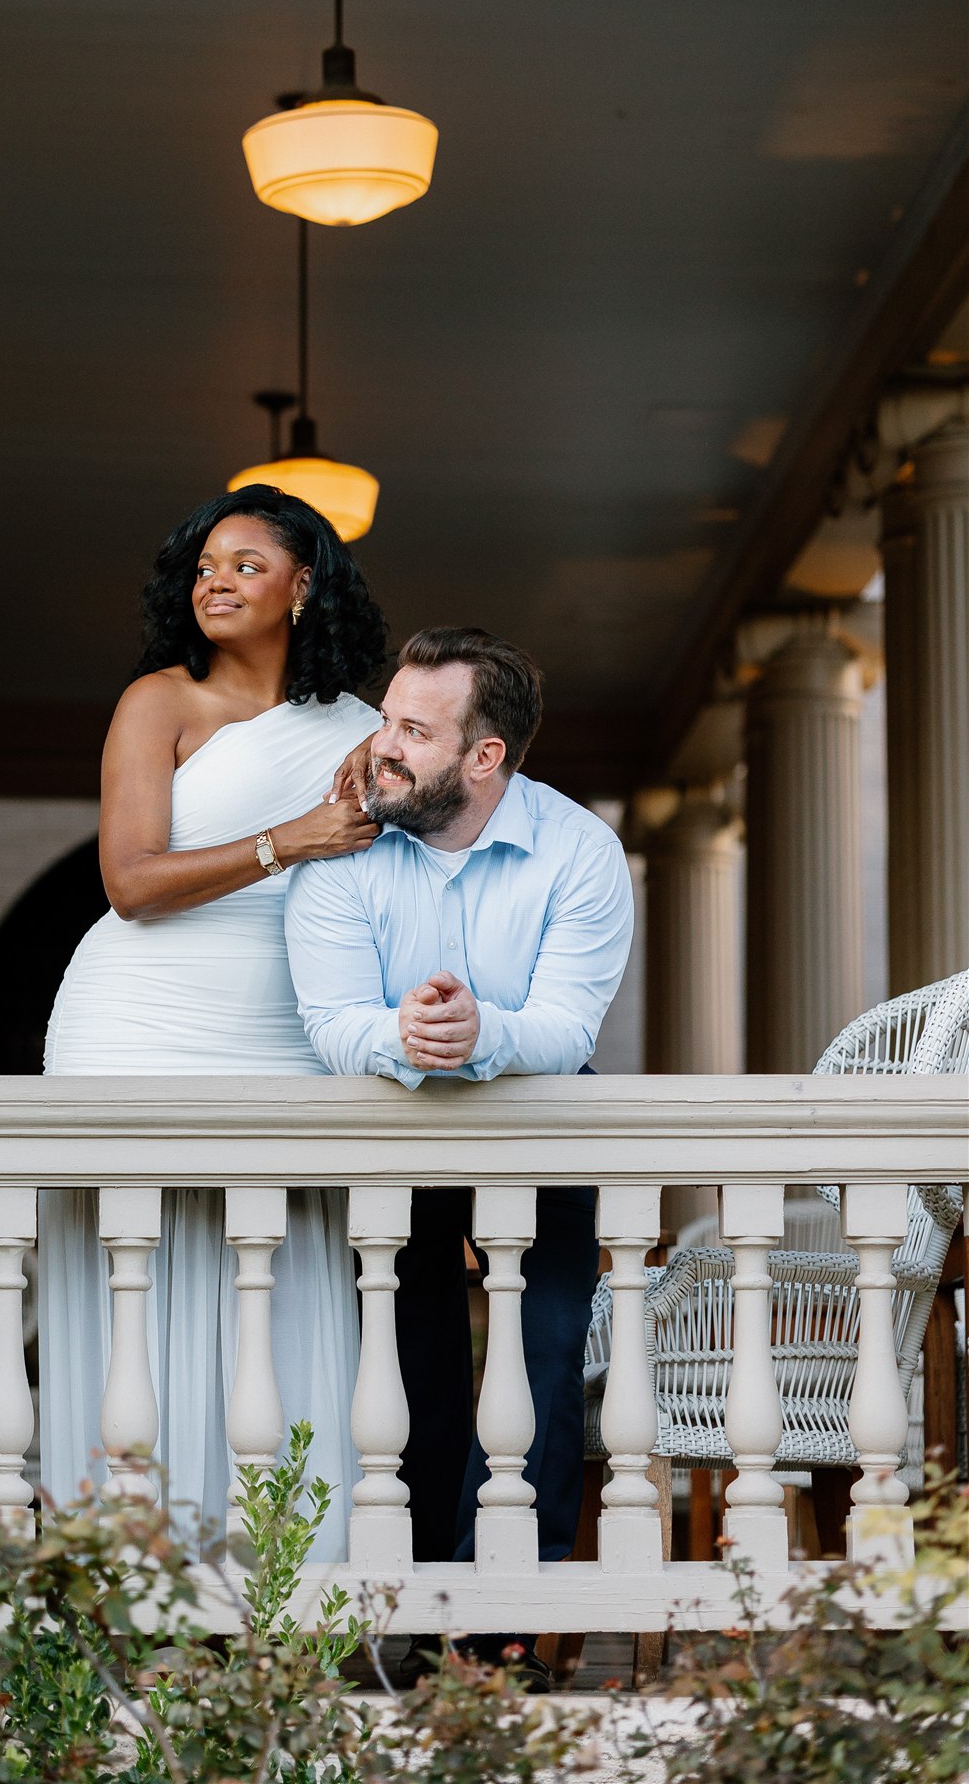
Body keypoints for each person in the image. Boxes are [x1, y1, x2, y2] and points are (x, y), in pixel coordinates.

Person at [38, 485, 385, 1557]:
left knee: (278, 1280)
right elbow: (131, 881)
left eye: (244, 562)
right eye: (203, 566)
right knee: (130, 1283)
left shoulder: (366, 731)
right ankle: (122, 1579)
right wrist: (293, 837)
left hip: (288, 1025)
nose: (215, 581)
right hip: (136, 1017)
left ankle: (280, 1585)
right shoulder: (160, 701)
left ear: (304, 582)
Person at [284, 626, 634, 1662]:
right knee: (411, 1365)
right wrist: (404, 1035)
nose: (380, 744)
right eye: (387, 716)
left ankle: (503, 1634)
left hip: (544, 1122)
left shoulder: (580, 850)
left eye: (412, 729)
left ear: (486, 757)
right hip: (395, 1136)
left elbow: (569, 1025)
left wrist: (480, 1035)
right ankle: (422, 1612)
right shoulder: (344, 850)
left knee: (545, 1354)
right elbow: (330, 1018)